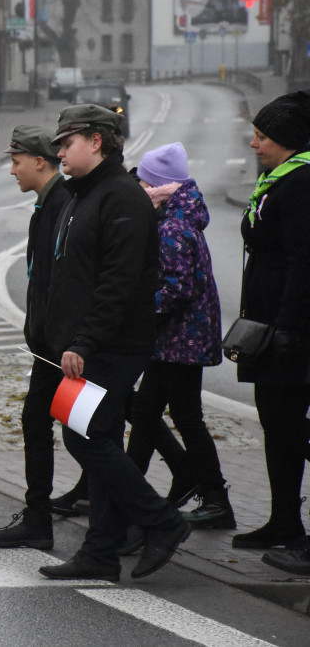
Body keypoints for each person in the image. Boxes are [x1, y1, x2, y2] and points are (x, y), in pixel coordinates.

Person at [36, 104, 190, 583]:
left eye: (68, 142)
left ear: (97, 141)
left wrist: (83, 340)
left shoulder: (121, 198)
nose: (59, 150)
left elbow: (118, 283)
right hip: (92, 344)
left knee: (84, 435)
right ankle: (100, 551)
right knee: (93, 435)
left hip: (112, 346)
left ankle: (163, 522)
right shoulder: (84, 194)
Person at [127, 142, 232, 531]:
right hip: (174, 341)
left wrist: (138, 310)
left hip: (179, 342)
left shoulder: (173, 227)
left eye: (142, 182)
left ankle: (216, 500)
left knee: (186, 418)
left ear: (159, 185)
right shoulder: (178, 218)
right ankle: (131, 495)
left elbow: (176, 289)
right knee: (145, 413)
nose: (138, 188)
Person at [228, 91, 310, 574]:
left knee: (287, 425)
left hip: (289, 331)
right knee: (276, 425)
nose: (254, 142)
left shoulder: (301, 184)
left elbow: (304, 260)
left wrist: (290, 327)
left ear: (285, 139)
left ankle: (295, 531)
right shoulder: (276, 179)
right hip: (269, 326)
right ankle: (283, 521)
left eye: (262, 135)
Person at [0, 125, 70, 550]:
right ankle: (40, 516)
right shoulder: (48, 204)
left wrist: (56, 339)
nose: (11, 170)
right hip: (51, 345)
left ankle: (150, 515)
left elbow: (63, 281)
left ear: (40, 162)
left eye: (16, 162)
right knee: (53, 424)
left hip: (62, 347)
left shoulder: (63, 205)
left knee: (66, 426)